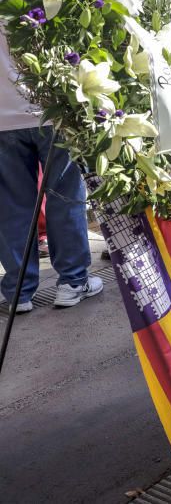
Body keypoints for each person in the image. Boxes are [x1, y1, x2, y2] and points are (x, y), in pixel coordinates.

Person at [0, 31, 103, 312]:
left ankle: (18, 291)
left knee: (12, 206)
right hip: (51, 110)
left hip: (2, 114)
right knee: (64, 196)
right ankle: (72, 282)